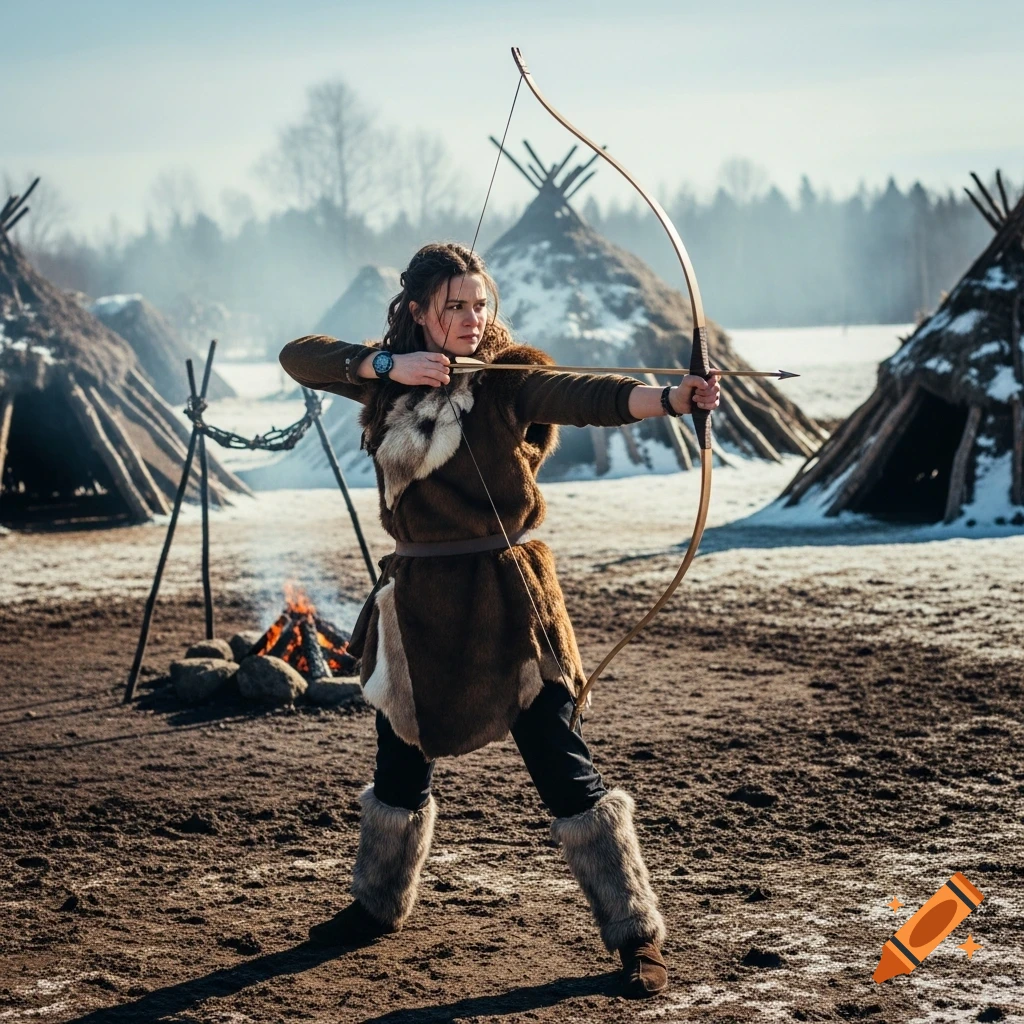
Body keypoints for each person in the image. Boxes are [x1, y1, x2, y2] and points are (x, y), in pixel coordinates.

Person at [279, 242, 720, 999]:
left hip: (509, 600)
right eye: (453, 306)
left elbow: (582, 394)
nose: (470, 318)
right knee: (399, 766)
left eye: (479, 303)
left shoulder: (510, 373)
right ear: (418, 311)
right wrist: (386, 368)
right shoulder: (389, 385)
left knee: (562, 765)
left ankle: (637, 933)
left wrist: (673, 400)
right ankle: (377, 906)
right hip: (418, 605)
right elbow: (298, 356)